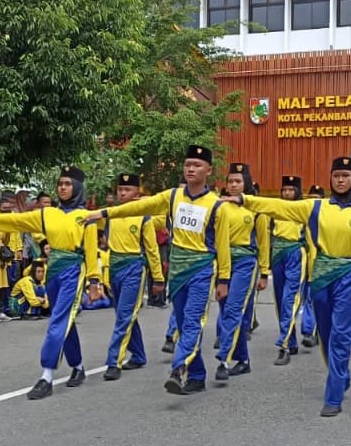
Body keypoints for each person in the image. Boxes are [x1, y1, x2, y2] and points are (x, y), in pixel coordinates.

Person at [220, 157, 351, 417]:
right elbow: (279, 207)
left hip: (350, 276)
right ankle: (341, 375)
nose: (340, 180)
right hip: (321, 277)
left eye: (345, 176)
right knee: (326, 335)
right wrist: (245, 200)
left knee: (341, 335)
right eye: (336, 175)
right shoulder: (316, 207)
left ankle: (334, 394)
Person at [88, 146, 233, 395]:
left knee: (191, 321)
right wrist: (103, 213)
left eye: (197, 165)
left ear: (208, 170)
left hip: (200, 269)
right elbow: (135, 207)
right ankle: (197, 375)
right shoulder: (173, 196)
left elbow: (223, 247)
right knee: (182, 322)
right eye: (188, 164)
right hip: (176, 271)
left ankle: (178, 369)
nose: (190, 168)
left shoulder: (217, 206)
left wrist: (224, 280)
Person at [0, 166, 101, 399]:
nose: (63, 188)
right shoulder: (48, 213)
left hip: (74, 270)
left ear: (76, 187)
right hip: (53, 269)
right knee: (65, 320)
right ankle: (77, 366)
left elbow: (91, 249)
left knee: (57, 320)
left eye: (67, 184)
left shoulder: (86, 217)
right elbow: (17, 221)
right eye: (60, 184)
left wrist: (94, 281)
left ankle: (46, 375)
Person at [99, 173, 165, 380]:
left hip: (134, 267)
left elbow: (152, 249)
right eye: (120, 189)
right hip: (114, 268)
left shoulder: (144, 216)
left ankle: (114, 361)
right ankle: (138, 355)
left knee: (125, 315)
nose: (123, 193)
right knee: (123, 314)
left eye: (127, 190)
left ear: (137, 192)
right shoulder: (112, 214)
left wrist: (158, 278)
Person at [214, 162, 268, 381]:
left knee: (234, 309)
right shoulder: (219, 207)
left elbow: (264, 242)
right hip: (223, 263)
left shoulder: (255, 208)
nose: (234, 185)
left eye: (238, 181)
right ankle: (243, 360)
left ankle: (223, 359)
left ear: (246, 183)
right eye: (230, 181)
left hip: (246, 261)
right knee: (228, 309)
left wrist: (264, 272)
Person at [269, 175, 307, 366]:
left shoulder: (303, 209)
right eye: (284, 190)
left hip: (295, 253)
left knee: (289, 300)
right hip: (277, 254)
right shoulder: (276, 209)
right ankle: (291, 340)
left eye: (291, 190)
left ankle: (283, 346)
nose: (287, 193)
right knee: (279, 301)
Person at [300, 184, 326, 348]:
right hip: (307, 269)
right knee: (308, 300)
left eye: (317, 199)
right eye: (312, 198)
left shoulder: (327, 221)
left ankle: (314, 331)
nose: (314, 202)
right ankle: (309, 331)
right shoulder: (304, 220)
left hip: (323, 268)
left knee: (319, 302)